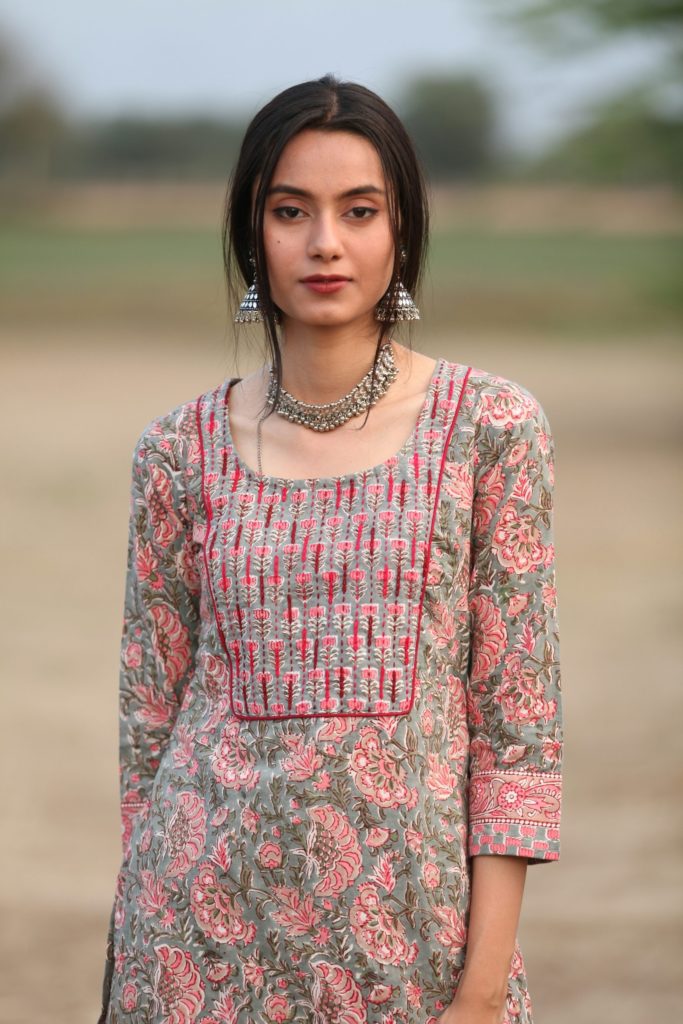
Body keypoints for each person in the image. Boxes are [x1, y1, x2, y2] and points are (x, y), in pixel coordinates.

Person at [97, 73, 563, 1024]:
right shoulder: (176, 451)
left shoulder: (491, 428)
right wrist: (132, 955)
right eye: (288, 210)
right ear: (250, 235)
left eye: (358, 210)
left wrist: (481, 989)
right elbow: (149, 729)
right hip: (192, 950)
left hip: (419, 954)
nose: (323, 243)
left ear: (401, 232)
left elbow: (516, 724)